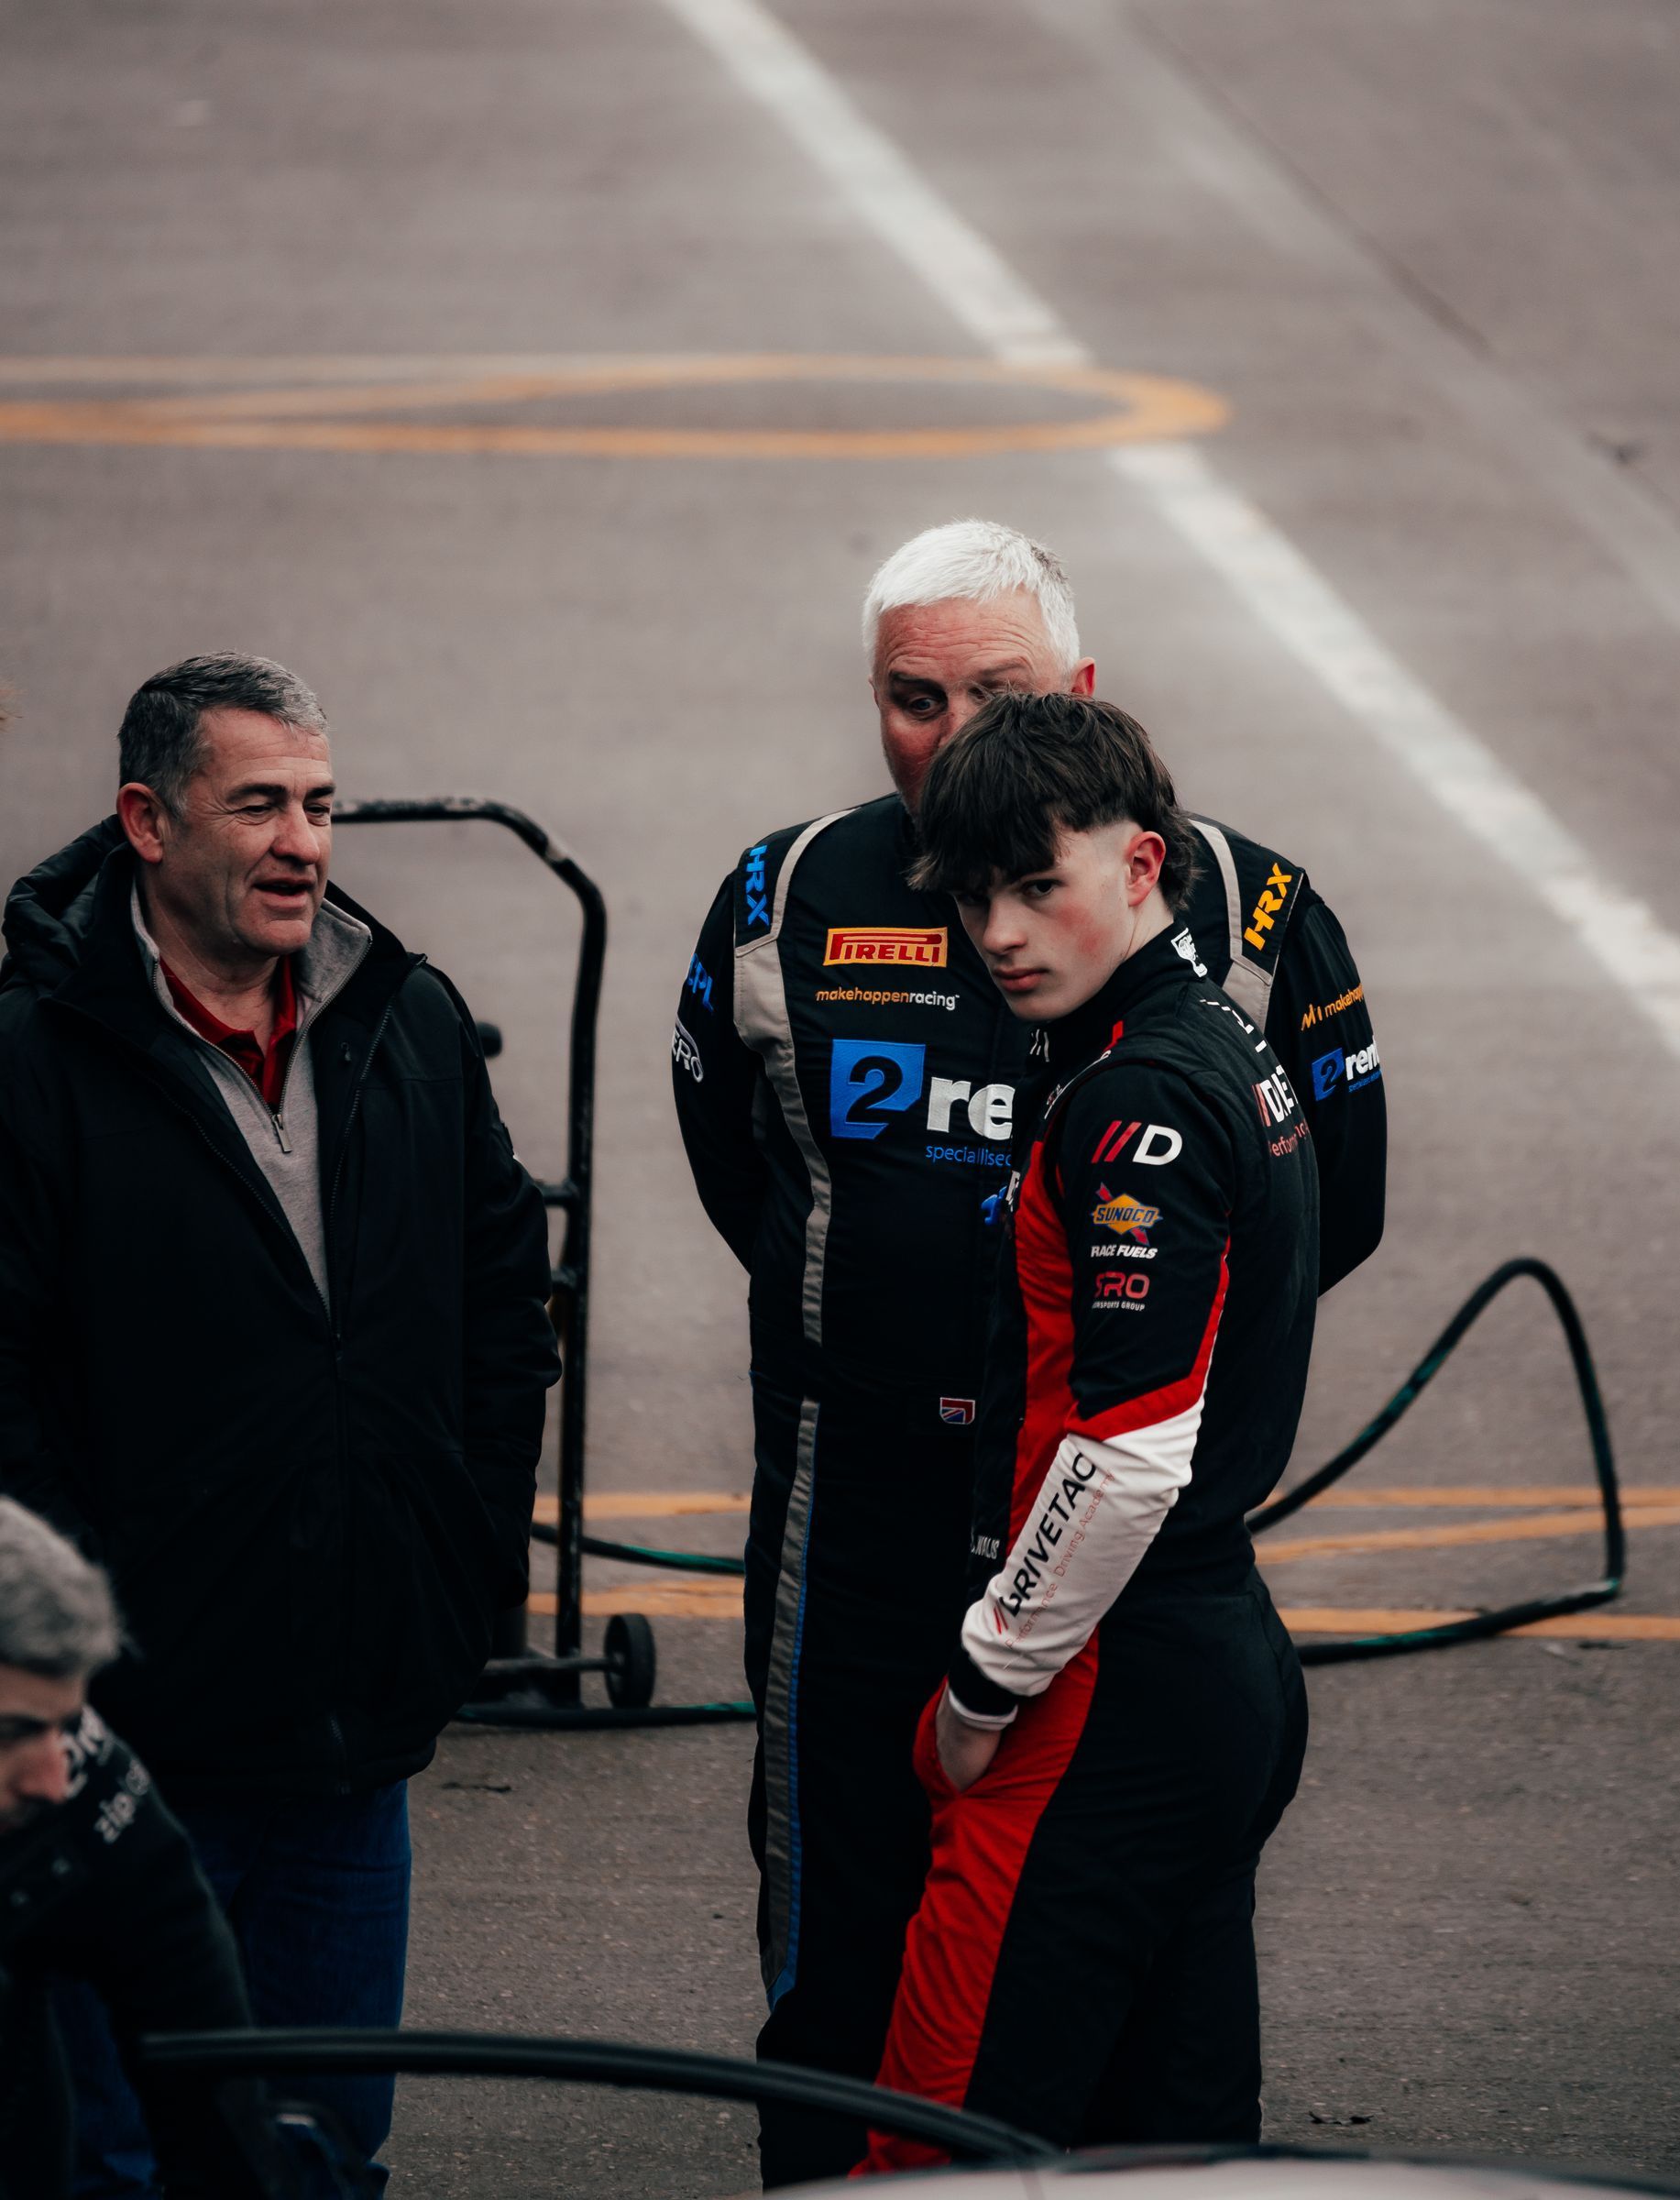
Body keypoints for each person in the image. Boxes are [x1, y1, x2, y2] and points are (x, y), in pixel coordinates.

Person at [671, 519, 1381, 2186]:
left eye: (993, 692)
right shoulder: (782, 906)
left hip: (1110, 1572)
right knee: (851, 1980)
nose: (952, 732)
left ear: (1079, 698)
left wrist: (1001, 1649)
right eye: (911, 698)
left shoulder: (1256, 918)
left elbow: (1313, 1233)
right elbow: (739, 1182)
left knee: (1095, 2042)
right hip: (858, 1526)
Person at [0, 654, 560, 2193]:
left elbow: (506, 1303)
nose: (305, 841)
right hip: (138, 1748)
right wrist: (90, 1646)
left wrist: (463, 1568)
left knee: (323, 2152)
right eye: (258, 804)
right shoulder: (32, 1060)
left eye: (319, 804)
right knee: (118, 2157)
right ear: (146, 822)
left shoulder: (409, 1020)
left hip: (349, 1735)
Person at [857, 690, 1316, 2172]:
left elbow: (1123, 1457)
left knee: (928, 2154)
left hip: (1105, 1689)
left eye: (1037, 885)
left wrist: (980, 1691)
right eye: (976, 896)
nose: (1000, 931)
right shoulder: (1218, 1045)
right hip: (1215, 1668)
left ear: (1143, 863)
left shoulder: (1136, 1103)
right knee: (1169, 2157)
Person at [0, 1498, 287, 2200]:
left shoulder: (79, 1773)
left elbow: (186, 1982)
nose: (52, 1777)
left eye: (65, 1726)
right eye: (12, 1733)